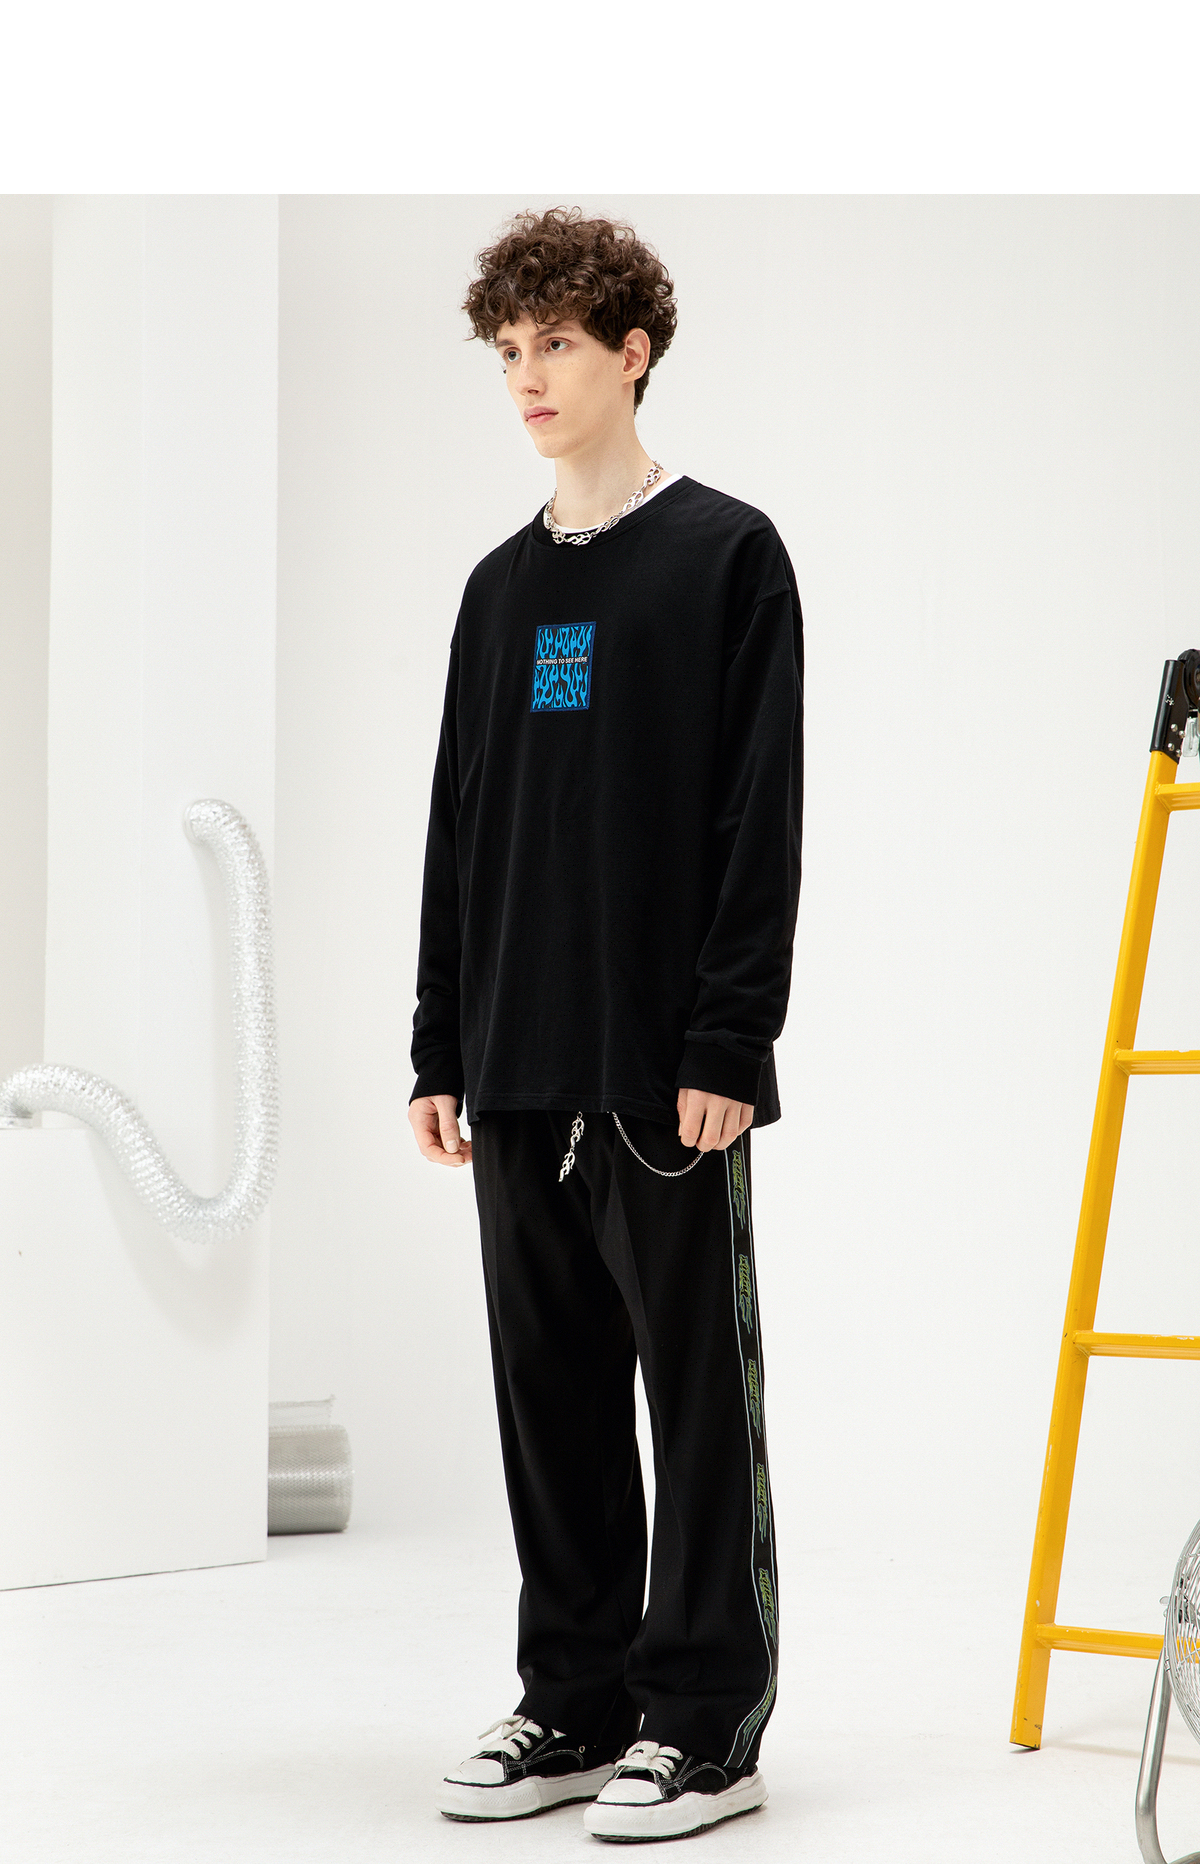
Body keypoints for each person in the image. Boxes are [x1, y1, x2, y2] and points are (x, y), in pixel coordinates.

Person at [408, 206, 803, 1845]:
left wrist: (731, 1041)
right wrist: (440, 1041)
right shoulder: (497, 593)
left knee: (696, 1404)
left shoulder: (726, 557)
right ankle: (572, 1700)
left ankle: (705, 1724)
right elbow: (462, 824)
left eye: (558, 342)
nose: (529, 375)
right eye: (510, 349)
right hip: (515, 1056)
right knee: (549, 1400)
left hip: (660, 1067)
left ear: (633, 352)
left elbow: (757, 819)